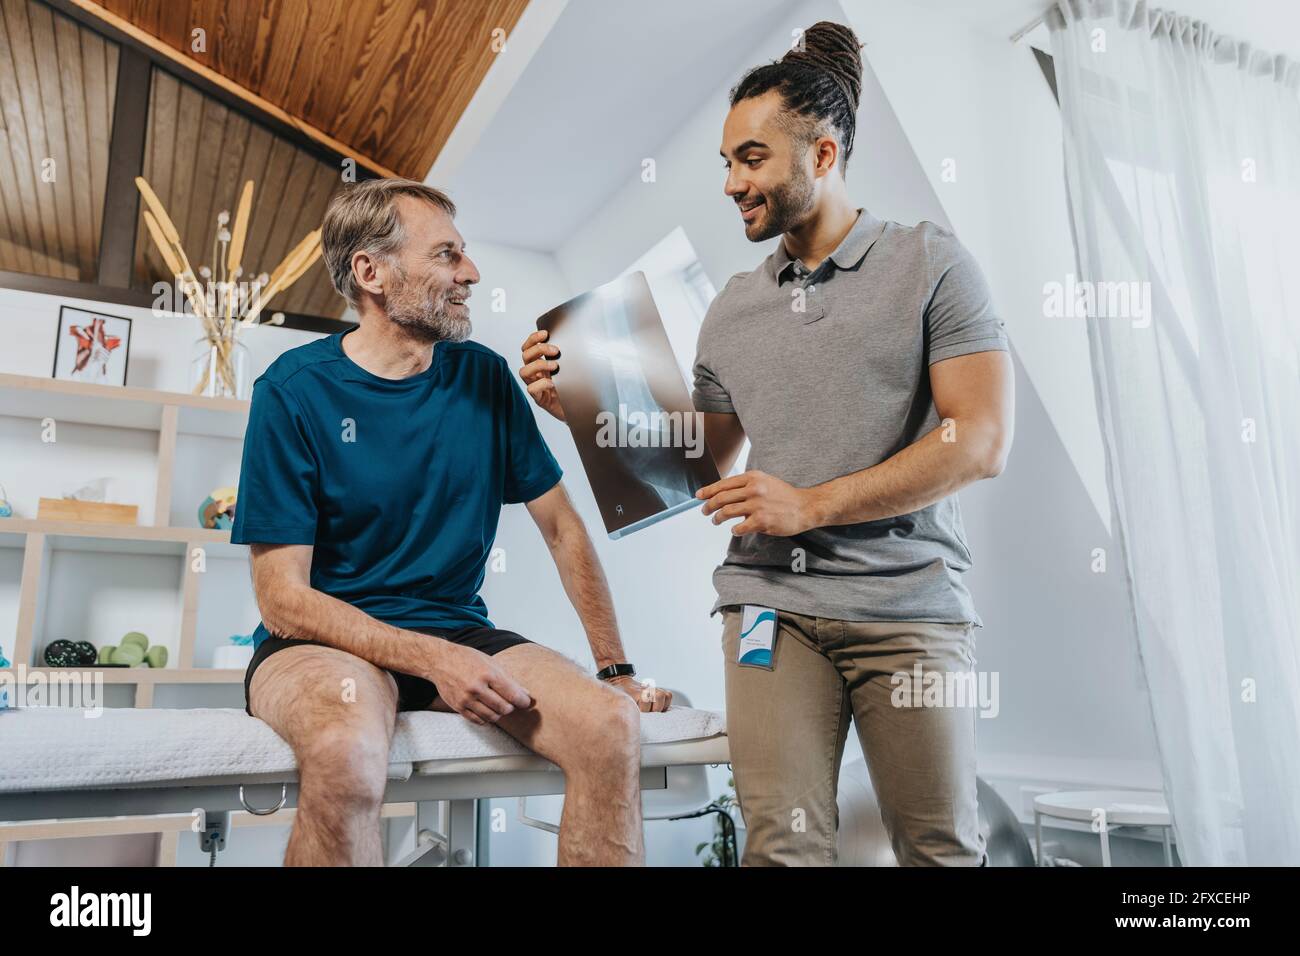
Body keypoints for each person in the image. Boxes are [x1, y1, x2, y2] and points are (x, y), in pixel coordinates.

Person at [519, 21, 1013, 866]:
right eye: (725, 162)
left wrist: (813, 502)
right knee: (780, 849)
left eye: (750, 159)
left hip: (908, 607)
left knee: (939, 848)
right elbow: (696, 466)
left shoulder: (931, 263)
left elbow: (979, 441)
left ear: (822, 157)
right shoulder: (734, 308)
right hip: (767, 607)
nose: (730, 183)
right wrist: (581, 410)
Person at [234, 177, 669, 867]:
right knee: (346, 751)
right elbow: (281, 598)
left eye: (464, 255)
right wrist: (433, 660)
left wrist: (615, 670)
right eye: (445, 256)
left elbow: (561, 528)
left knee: (610, 726)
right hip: (323, 641)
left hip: (458, 628)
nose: (470, 273)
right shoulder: (292, 391)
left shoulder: (484, 379)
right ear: (370, 273)